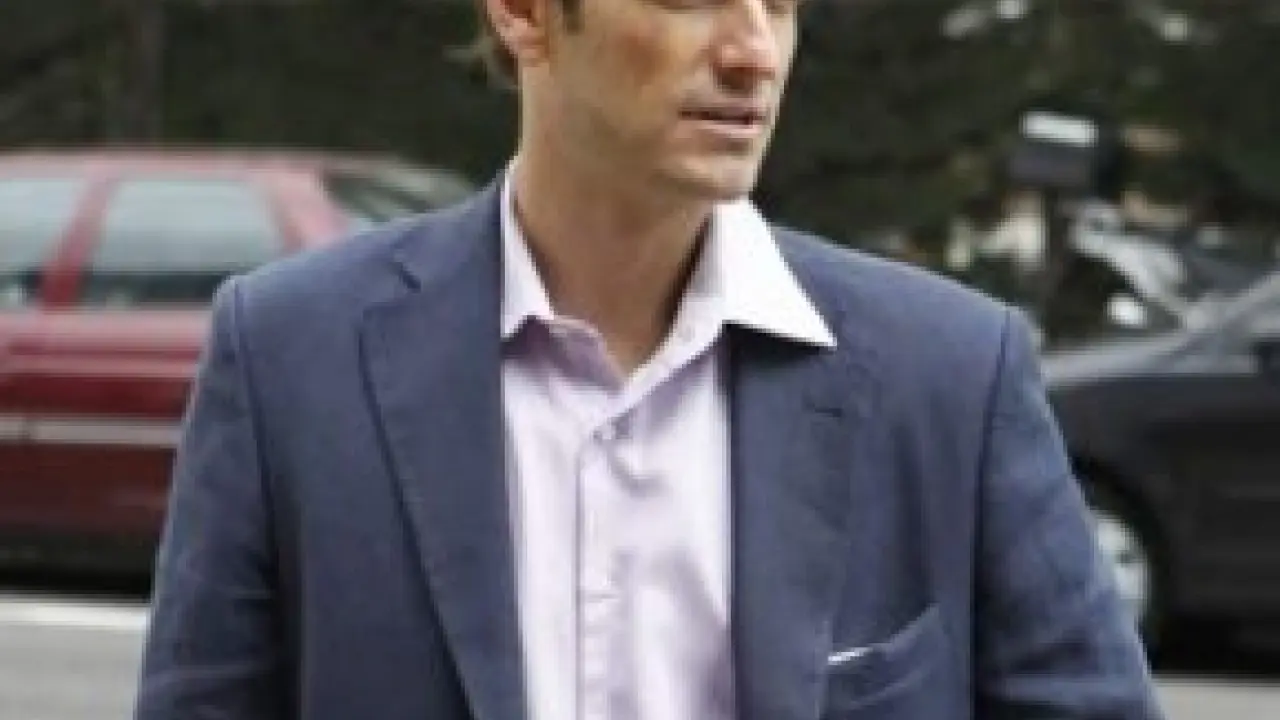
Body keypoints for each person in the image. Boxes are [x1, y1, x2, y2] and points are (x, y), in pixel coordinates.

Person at [134, 0, 1167, 717]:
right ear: (524, 14)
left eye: (781, 5)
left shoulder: (949, 376)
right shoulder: (290, 359)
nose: (754, 52)